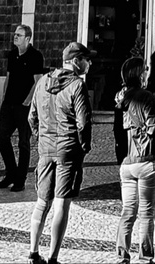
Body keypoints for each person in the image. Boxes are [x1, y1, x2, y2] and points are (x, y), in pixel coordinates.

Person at [27, 41, 95, 264]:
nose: (89, 63)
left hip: (46, 150)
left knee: (41, 202)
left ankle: (33, 253)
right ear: (76, 61)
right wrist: (84, 146)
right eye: (86, 59)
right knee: (61, 204)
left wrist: (41, 138)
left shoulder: (43, 82)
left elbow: (31, 117)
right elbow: (83, 123)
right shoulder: (77, 86)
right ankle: (53, 258)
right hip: (68, 151)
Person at [115, 56, 155, 264]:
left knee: (128, 211)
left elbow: (117, 131)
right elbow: (152, 128)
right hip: (147, 160)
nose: (147, 73)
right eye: (144, 70)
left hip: (127, 163)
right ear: (139, 75)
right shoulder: (146, 97)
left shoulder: (119, 99)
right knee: (146, 213)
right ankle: (145, 258)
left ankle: (121, 256)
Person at [0, 23, 44, 191]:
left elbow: (38, 81)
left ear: (28, 38)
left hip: (24, 106)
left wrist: (28, 101)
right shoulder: (12, 55)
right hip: (8, 104)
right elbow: (8, 77)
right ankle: (11, 173)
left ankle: (20, 179)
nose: (15, 36)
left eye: (19, 35)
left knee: (24, 143)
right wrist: (3, 97)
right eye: (15, 34)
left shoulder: (35, 56)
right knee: (2, 138)